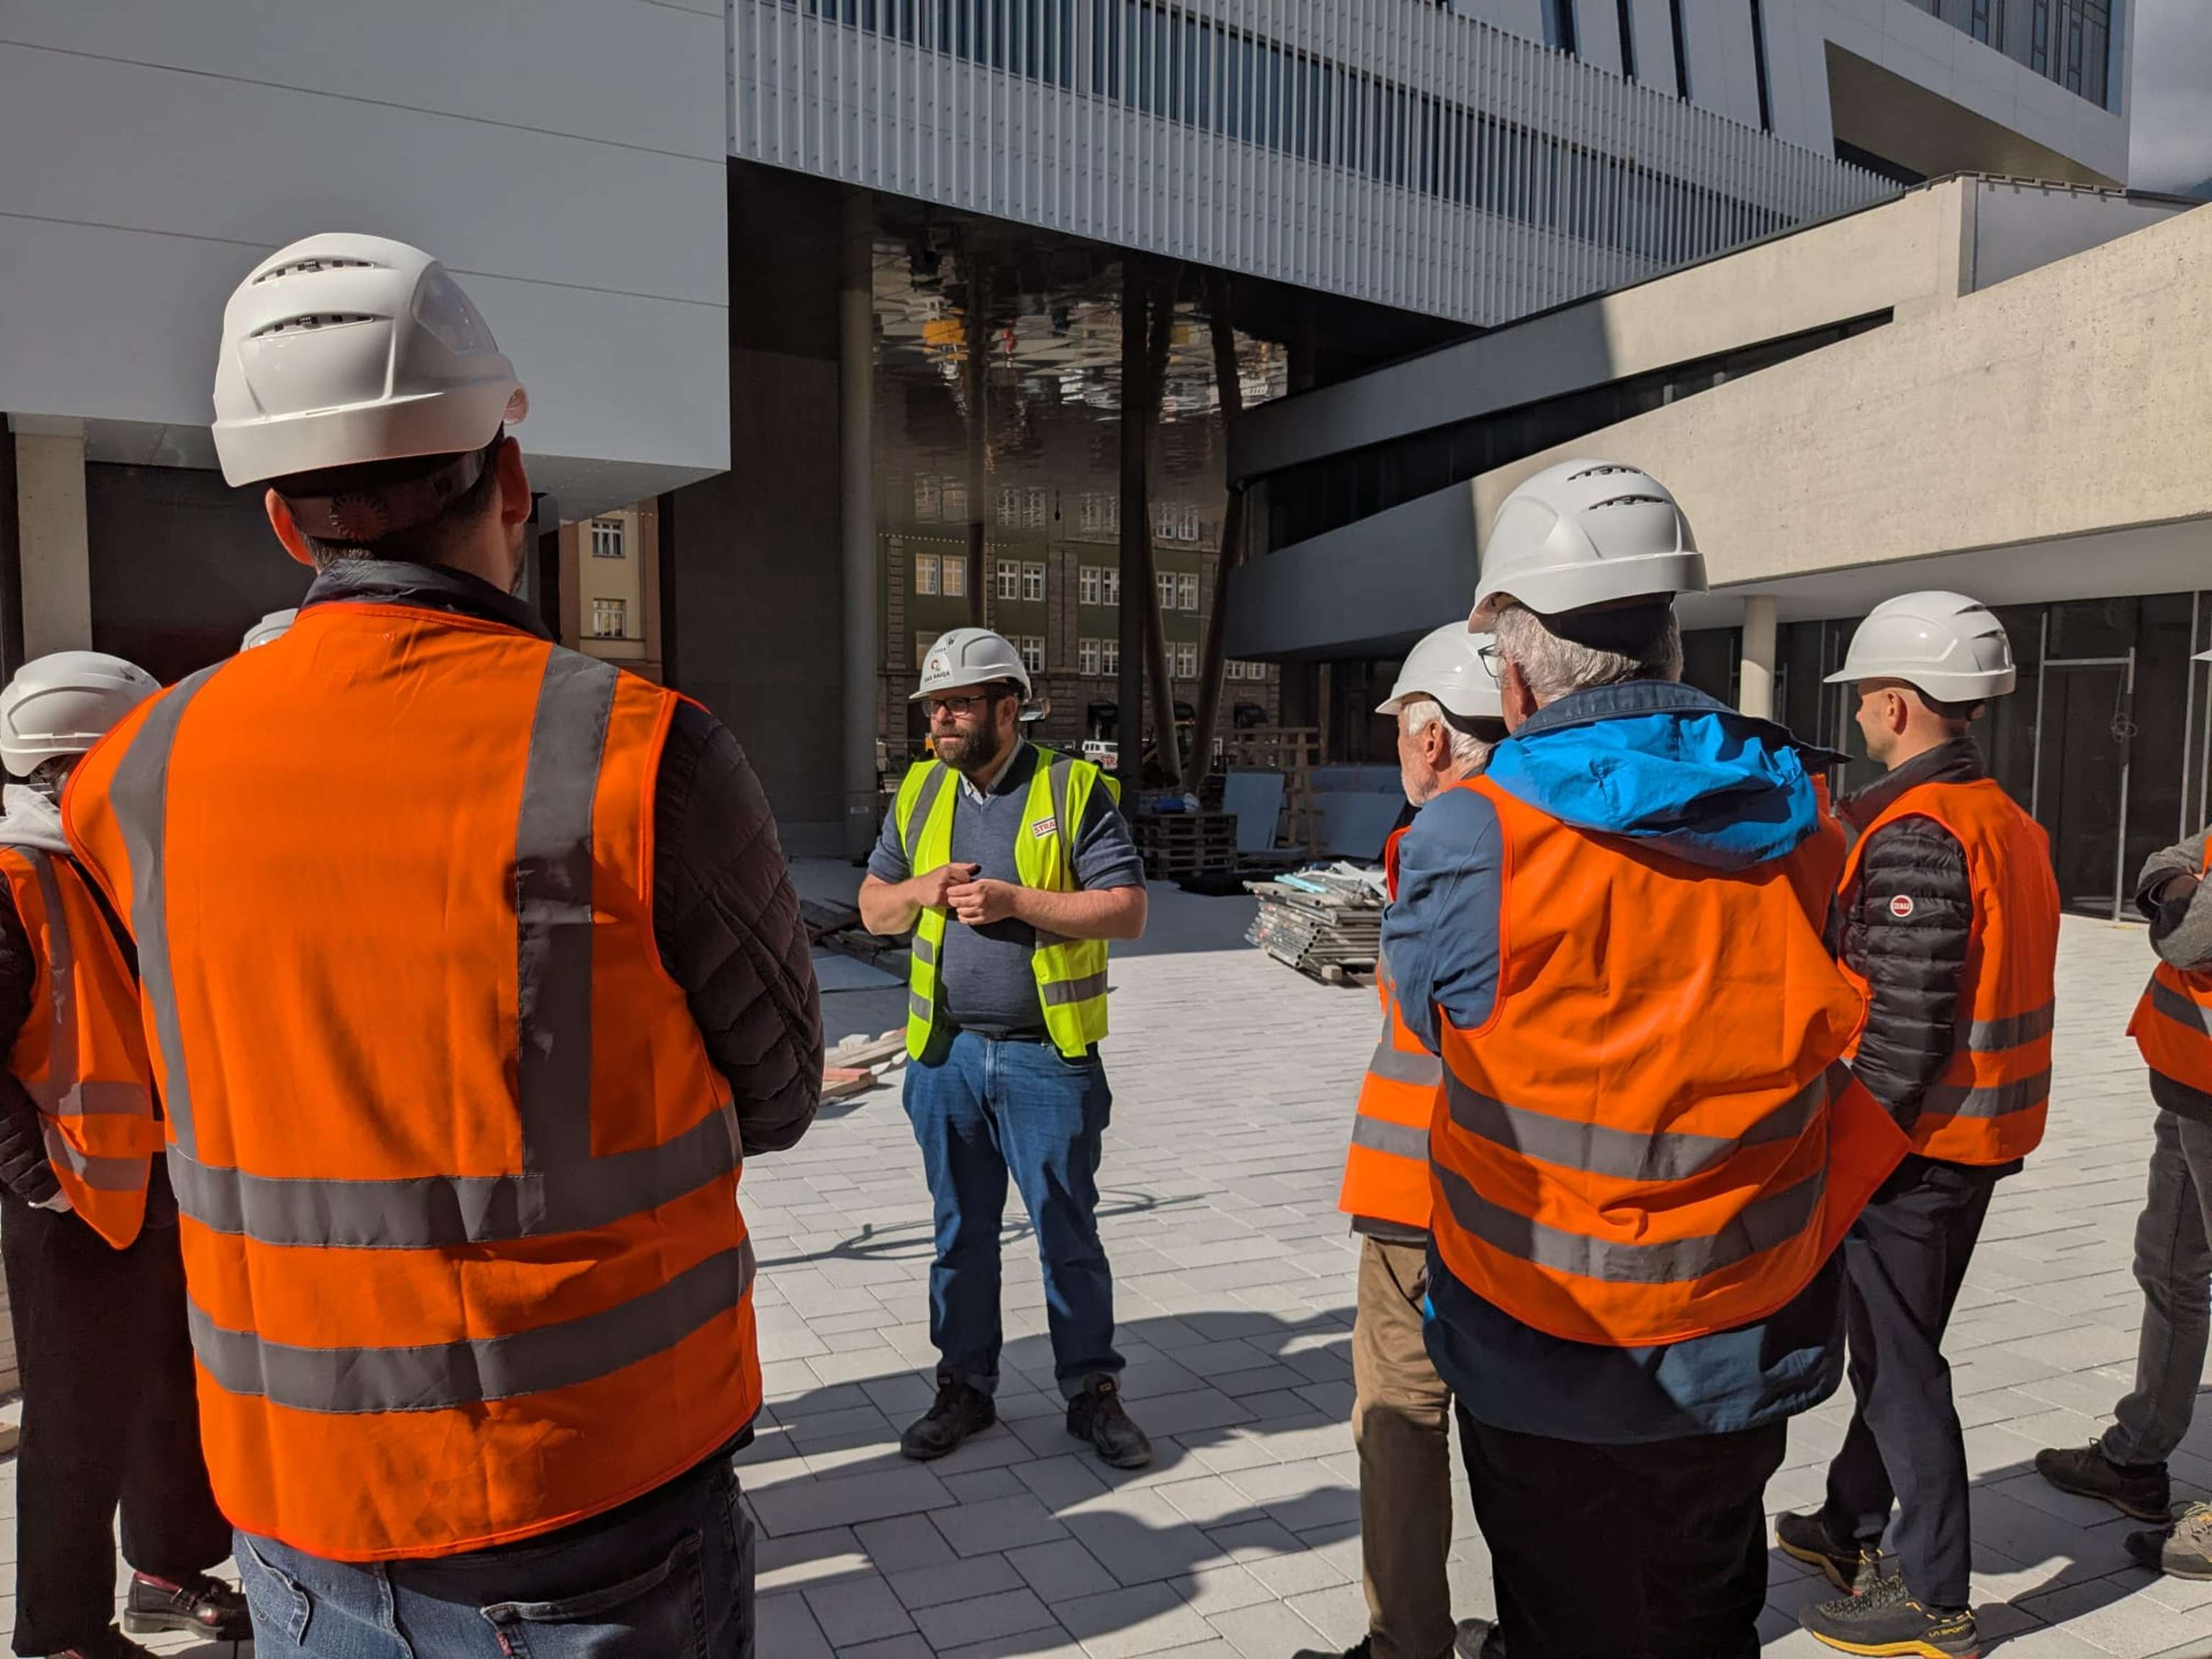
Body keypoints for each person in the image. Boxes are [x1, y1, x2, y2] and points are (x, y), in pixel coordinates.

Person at [60, 233, 821, 1658]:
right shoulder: (638, 755)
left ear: (286, 522)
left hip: (288, 1509)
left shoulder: (131, 778)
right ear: (512, 483)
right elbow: (775, 1093)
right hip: (590, 1501)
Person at [1385, 458, 1909, 1659]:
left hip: (1539, 1340)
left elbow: (1423, 1015)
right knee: (1702, 1608)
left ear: (1508, 672)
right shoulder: (1799, 811)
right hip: (1741, 1320)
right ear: (1671, 637)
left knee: (1558, 1613)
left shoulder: (1474, 828)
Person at [1776, 592, 2059, 1658]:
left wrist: (1845, 1157)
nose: (1855, 721)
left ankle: (1936, 1596)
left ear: (1897, 705)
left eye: (1863, 704)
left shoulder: (1919, 834)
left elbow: (1902, 1032)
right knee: (1901, 1345)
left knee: (1899, 1367)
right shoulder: (2004, 818)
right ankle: (1845, 1526)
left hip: (1916, 1148)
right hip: (1978, 1138)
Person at [0, 653, 251, 1659]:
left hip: (165, 1180)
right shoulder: (14, 872)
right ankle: (60, 1634)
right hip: (71, 1200)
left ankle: (164, 1571)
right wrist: (36, 1177)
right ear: (74, 766)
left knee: (173, 1388)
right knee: (74, 1424)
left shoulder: (124, 860)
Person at [858, 627, 1153, 1467]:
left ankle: (1092, 1394)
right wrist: (920, 890)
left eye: (956, 705)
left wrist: (1020, 900)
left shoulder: (1073, 789)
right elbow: (875, 906)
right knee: (960, 1235)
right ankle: (965, 1389)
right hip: (945, 1056)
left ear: (1007, 706)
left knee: (1067, 1233)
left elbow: (1127, 911)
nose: (940, 721)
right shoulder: (918, 793)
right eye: (933, 707)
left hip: (1043, 1060)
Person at [1297, 624, 1507, 1659]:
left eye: (1398, 735)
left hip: (1420, 1192)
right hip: (1532, 1192)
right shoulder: (1564, 824)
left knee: (1403, 1418)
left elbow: (1420, 1011)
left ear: (1430, 741)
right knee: (1519, 1420)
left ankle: (1408, 1644)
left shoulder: (1450, 837)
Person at [2038, 648, 2212, 1579]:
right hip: (2188, 1086)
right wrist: (2174, 881)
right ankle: (2138, 1457)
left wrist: (2175, 891)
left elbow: (2191, 929)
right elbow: (2172, 862)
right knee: (2169, 1270)